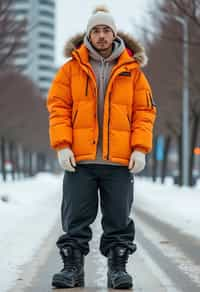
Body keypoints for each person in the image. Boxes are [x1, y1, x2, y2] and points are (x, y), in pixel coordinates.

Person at [47, 5, 156, 289]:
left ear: (114, 34)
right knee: (75, 219)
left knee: (118, 219)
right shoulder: (71, 69)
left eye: (106, 30)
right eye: (96, 30)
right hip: (79, 161)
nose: (101, 35)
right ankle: (72, 268)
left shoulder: (133, 72)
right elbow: (58, 107)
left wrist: (139, 149)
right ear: (88, 34)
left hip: (119, 162)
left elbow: (144, 113)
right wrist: (62, 145)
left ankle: (117, 270)